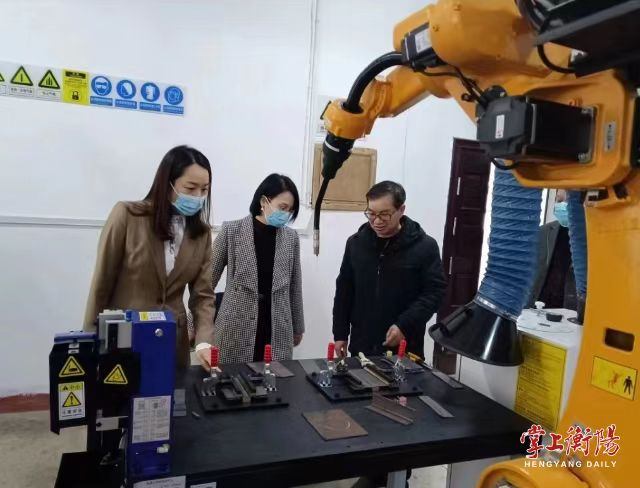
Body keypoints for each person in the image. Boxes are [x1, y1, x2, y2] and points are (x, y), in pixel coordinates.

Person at [83, 145, 216, 371]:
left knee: (173, 393)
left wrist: (204, 342)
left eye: (204, 190)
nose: (198, 197)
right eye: (190, 188)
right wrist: (90, 340)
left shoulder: (201, 234)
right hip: (126, 339)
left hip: (172, 343)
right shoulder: (127, 216)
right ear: (167, 184)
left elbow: (203, 296)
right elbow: (101, 284)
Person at [333, 180, 446, 360]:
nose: (377, 221)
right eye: (371, 213)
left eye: (384, 214)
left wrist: (404, 325)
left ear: (401, 210)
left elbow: (434, 293)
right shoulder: (356, 243)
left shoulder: (424, 246)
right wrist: (340, 334)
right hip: (362, 345)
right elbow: (344, 291)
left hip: (405, 346)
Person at [209, 173, 304, 364]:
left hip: (277, 325)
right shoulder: (231, 231)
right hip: (235, 325)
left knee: (275, 377)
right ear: (263, 202)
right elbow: (205, 282)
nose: (285, 214)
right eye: (282, 207)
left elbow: (295, 286)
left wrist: (297, 327)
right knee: (233, 378)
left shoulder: (291, 238)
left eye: (290, 210)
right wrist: (194, 324)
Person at [527, 189, 577, 310]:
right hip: (538, 308)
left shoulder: (591, 239)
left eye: (568, 201)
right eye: (559, 200)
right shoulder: (542, 233)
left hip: (571, 311)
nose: (563, 205)